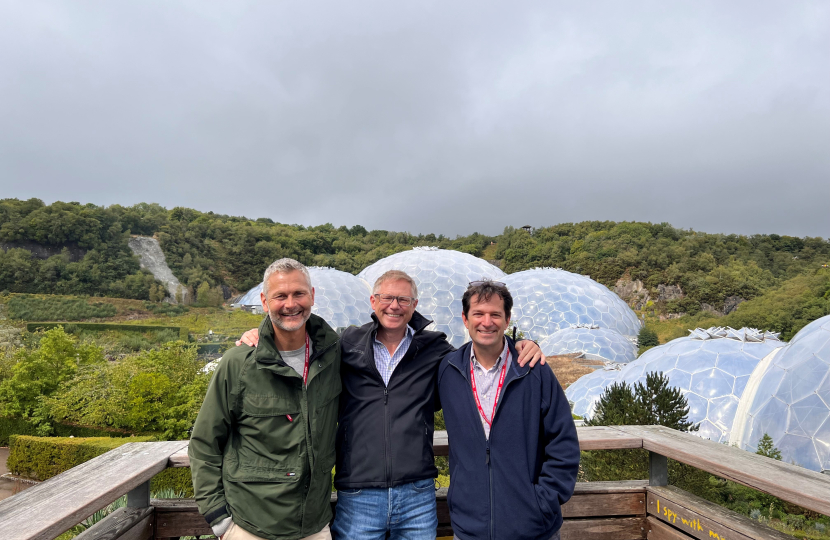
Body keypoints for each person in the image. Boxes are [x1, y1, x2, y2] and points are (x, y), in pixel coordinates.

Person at [237, 269, 544, 539]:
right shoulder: (346, 344)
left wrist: (523, 345)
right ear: (373, 302)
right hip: (359, 493)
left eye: (403, 300)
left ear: (414, 306)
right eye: (386, 298)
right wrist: (259, 334)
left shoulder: (435, 349)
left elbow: (480, 353)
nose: (394, 306)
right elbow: (295, 342)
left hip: (417, 494)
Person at [189, 258, 341, 540]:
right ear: (264, 300)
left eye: (299, 293)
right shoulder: (239, 363)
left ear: (312, 295)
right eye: (280, 296)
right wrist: (219, 519)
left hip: (315, 526)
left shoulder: (333, 356)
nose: (290, 304)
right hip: (251, 527)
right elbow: (205, 442)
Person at [437, 280, 579, 540]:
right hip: (470, 529)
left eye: (495, 315)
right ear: (465, 319)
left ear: (507, 319)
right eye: (478, 314)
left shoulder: (533, 369)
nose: (486, 322)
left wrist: (542, 503)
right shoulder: (448, 369)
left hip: (532, 530)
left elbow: (563, 442)